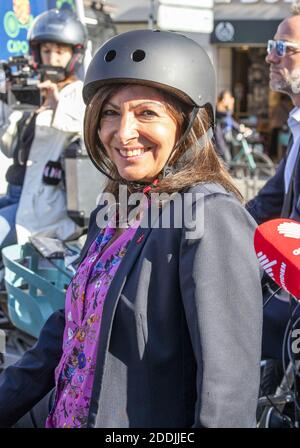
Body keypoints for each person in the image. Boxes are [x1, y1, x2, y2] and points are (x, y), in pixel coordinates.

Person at [0, 29, 262, 428]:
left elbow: (226, 395)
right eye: (110, 112)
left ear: (189, 124)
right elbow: (70, 328)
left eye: (146, 113)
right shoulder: (116, 207)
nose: (122, 133)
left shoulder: (210, 217)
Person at [0, 8, 87, 254]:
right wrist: (5, 98)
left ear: (74, 55)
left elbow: (86, 124)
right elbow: (9, 148)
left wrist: (56, 103)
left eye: (60, 51)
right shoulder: (32, 89)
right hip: (16, 192)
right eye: (46, 50)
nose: (52, 58)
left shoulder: (79, 93)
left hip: (45, 205)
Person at [246, 11, 300, 392]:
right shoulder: (297, 127)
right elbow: (268, 202)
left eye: (283, 48)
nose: (270, 56)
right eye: (271, 46)